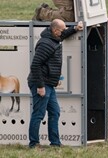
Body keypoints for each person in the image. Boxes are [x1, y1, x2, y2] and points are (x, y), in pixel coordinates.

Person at [27, 19, 83, 148]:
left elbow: (63, 35)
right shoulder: (46, 44)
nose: (63, 32)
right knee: (39, 114)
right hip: (41, 84)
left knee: (55, 112)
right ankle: (34, 144)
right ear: (55, 30)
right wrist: (40, 86)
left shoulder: (54, 38)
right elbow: (35, 65)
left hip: (49, 84)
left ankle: (55, 143)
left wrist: (75, 29)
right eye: (62, 30)